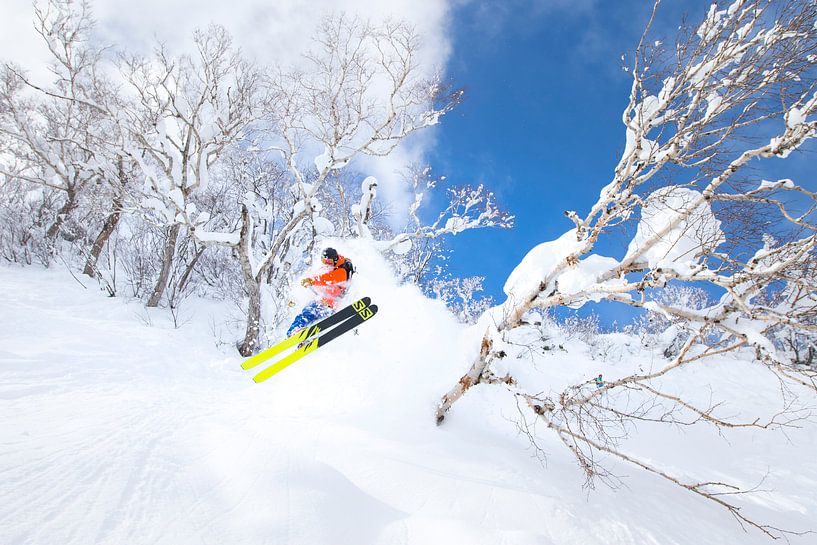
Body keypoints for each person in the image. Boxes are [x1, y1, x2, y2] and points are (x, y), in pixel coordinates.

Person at [286, 247, 354, 337]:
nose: (327, 264)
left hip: (330, 304)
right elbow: (312, 284)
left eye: (329, 261)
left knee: (308, 313)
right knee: (309, 315)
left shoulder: (341, 271)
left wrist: (312, 281)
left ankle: (295, 331)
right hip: (324, 302)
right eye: (324, 261)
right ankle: (302, 337)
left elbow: (328, 278)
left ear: (335, 260)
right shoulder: (329, 268)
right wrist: (295, 299)